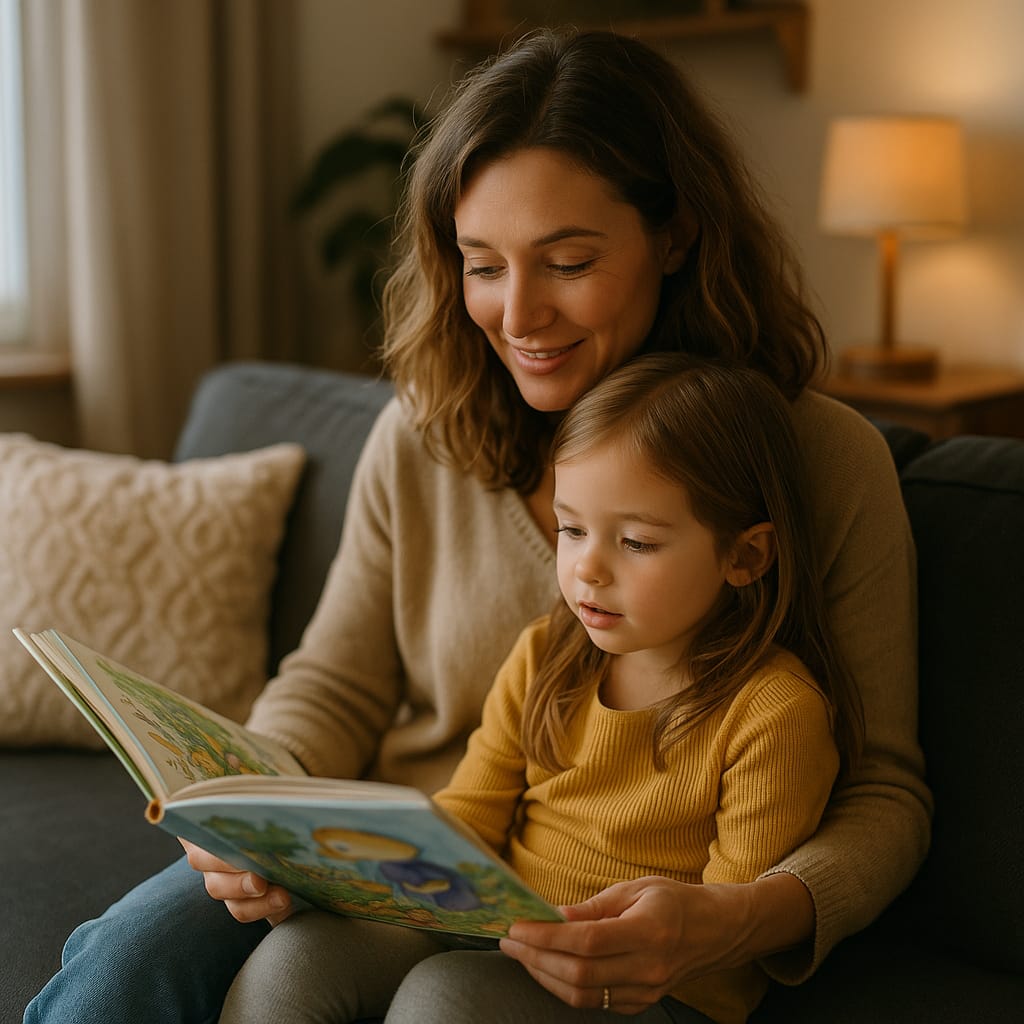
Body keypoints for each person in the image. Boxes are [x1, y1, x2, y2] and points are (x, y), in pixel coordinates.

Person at [24, 26, 930, 1024]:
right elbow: (333, 682)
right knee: (121, 968)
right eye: (481, 264)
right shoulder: (424, 430)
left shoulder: (816, 461)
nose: (518, 313)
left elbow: (885, 794)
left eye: (568, 260)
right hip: (389, 871)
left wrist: (739, 915)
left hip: (607, 922)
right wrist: (254, 812)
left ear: (675, 234)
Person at [215, 354, 856, 1024]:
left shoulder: (774, 713)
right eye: (570, 530)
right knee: (299, 957)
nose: (588, 570)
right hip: (498, 934)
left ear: (746, 556)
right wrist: (343, 870)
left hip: (653, 991)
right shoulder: (544, 656)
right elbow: (468, 821)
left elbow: (723, 947)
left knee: (445, 998)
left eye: (636, 542)